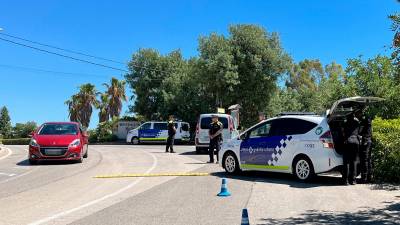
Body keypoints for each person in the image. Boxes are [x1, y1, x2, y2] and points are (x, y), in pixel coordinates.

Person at [342, 111, 361, 185]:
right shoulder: (357, 123)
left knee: (346, 162)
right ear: (353, 116)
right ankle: (353, 180)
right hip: (356, 142)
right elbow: (359, 132)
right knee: (354, 162)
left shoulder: (345, 123)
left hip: (348, 142)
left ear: (347, 117)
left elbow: (343, 132)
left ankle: (346, 181)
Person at [359, 113, 372, 183]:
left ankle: (364, 179)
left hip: (365, 142)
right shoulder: (369, 123)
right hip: (369, 141)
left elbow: (360, 132)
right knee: (368, 160)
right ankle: (369, 178)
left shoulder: (364, 123)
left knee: (364, 160)